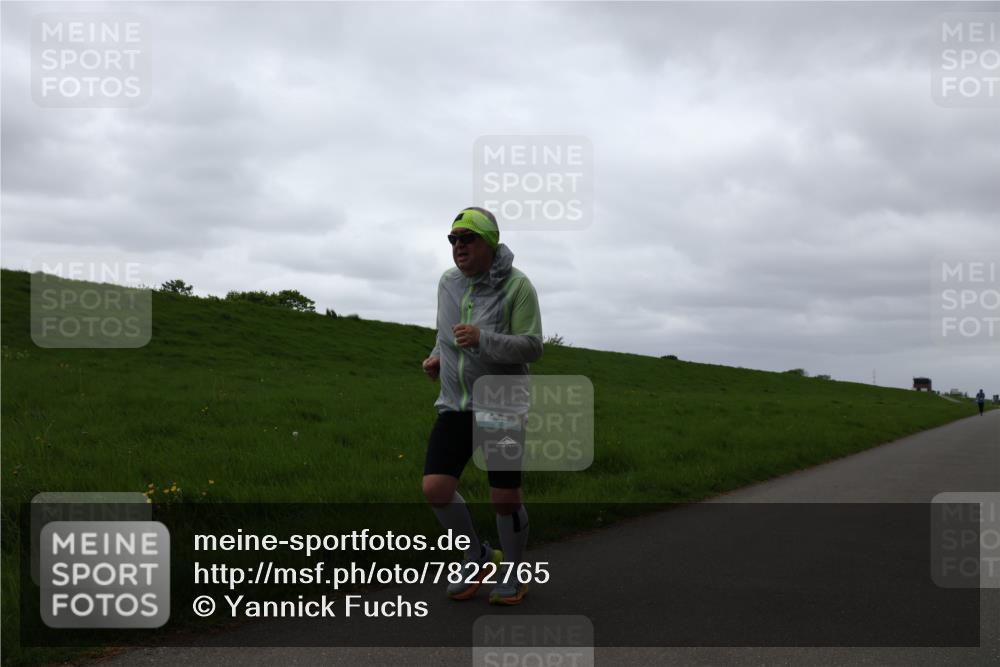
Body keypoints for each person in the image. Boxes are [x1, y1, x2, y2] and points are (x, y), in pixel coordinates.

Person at [420, 207, 543, 606]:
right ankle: (477, 557)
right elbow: (445, 331)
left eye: (467, 238)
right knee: (436, 488)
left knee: (504, 498)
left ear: (489, 242)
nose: (459, 246)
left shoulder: (518, 286)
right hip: (455, 404)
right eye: (453, 239)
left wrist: (483, 339)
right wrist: (437, 354)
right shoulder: (447, 283)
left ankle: (514, 571)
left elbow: (533, 346)